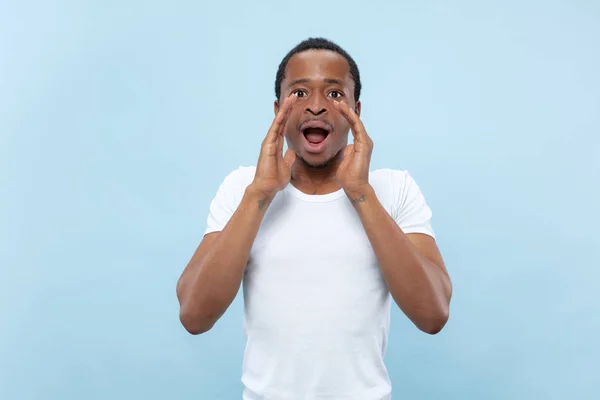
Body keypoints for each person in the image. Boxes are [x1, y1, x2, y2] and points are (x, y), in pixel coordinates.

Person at [176, 37, 453, 400]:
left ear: (357, 109)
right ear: (279, 109)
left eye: (335, 94)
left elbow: (432, 314)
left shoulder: (394, 188)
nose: (318, 107)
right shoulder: (242, 188)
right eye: (300, 93)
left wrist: (361, 193)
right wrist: (260, 194)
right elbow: (195, 315)